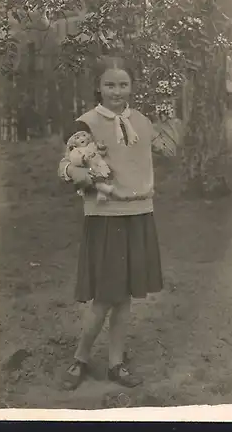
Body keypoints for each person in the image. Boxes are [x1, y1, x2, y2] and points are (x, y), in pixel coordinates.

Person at [58, 55, 183, 390]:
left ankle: (116, 363)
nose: (117, 91)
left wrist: (170, 121)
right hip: (106, 218)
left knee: (124, 297)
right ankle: (80, 358)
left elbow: (169, 150)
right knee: (104, 297)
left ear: (132, 86)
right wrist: (92, 176)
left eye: (123, 84)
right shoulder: (85, 124)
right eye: (109, 84)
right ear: (98, 87)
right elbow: (65, 169)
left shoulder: (142, 120)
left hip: (139, 215)